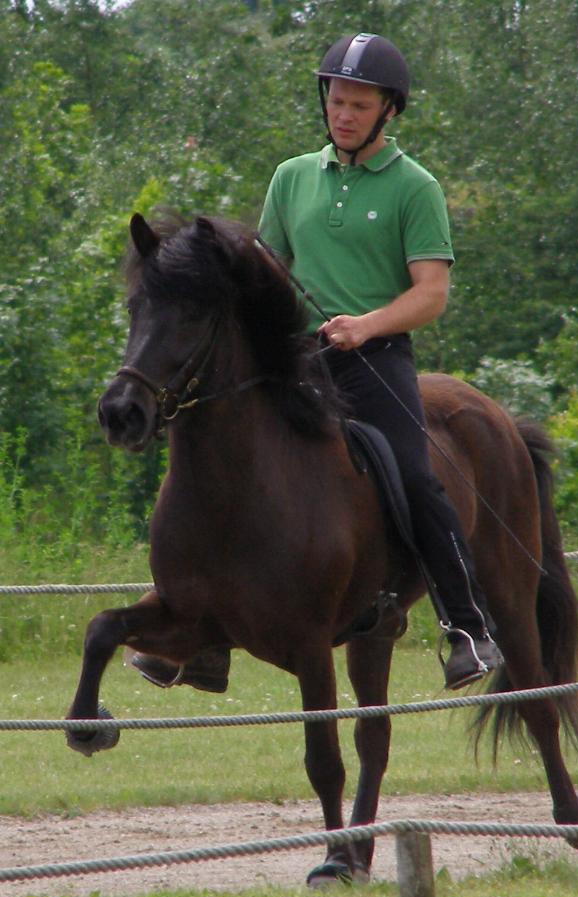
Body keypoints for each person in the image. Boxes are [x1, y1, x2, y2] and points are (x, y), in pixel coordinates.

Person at [132, 32, 503, 693]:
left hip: (375, 358)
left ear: (390, 111)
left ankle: (466, 622)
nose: (344, 114)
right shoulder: (291, 177)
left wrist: (364, 325)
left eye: (360, 104)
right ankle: (200, 633)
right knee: (219, 453)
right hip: (297, 360)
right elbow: (267, 277)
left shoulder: (415, 188)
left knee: (415, 475)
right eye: (336, 100)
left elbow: (431, 294)